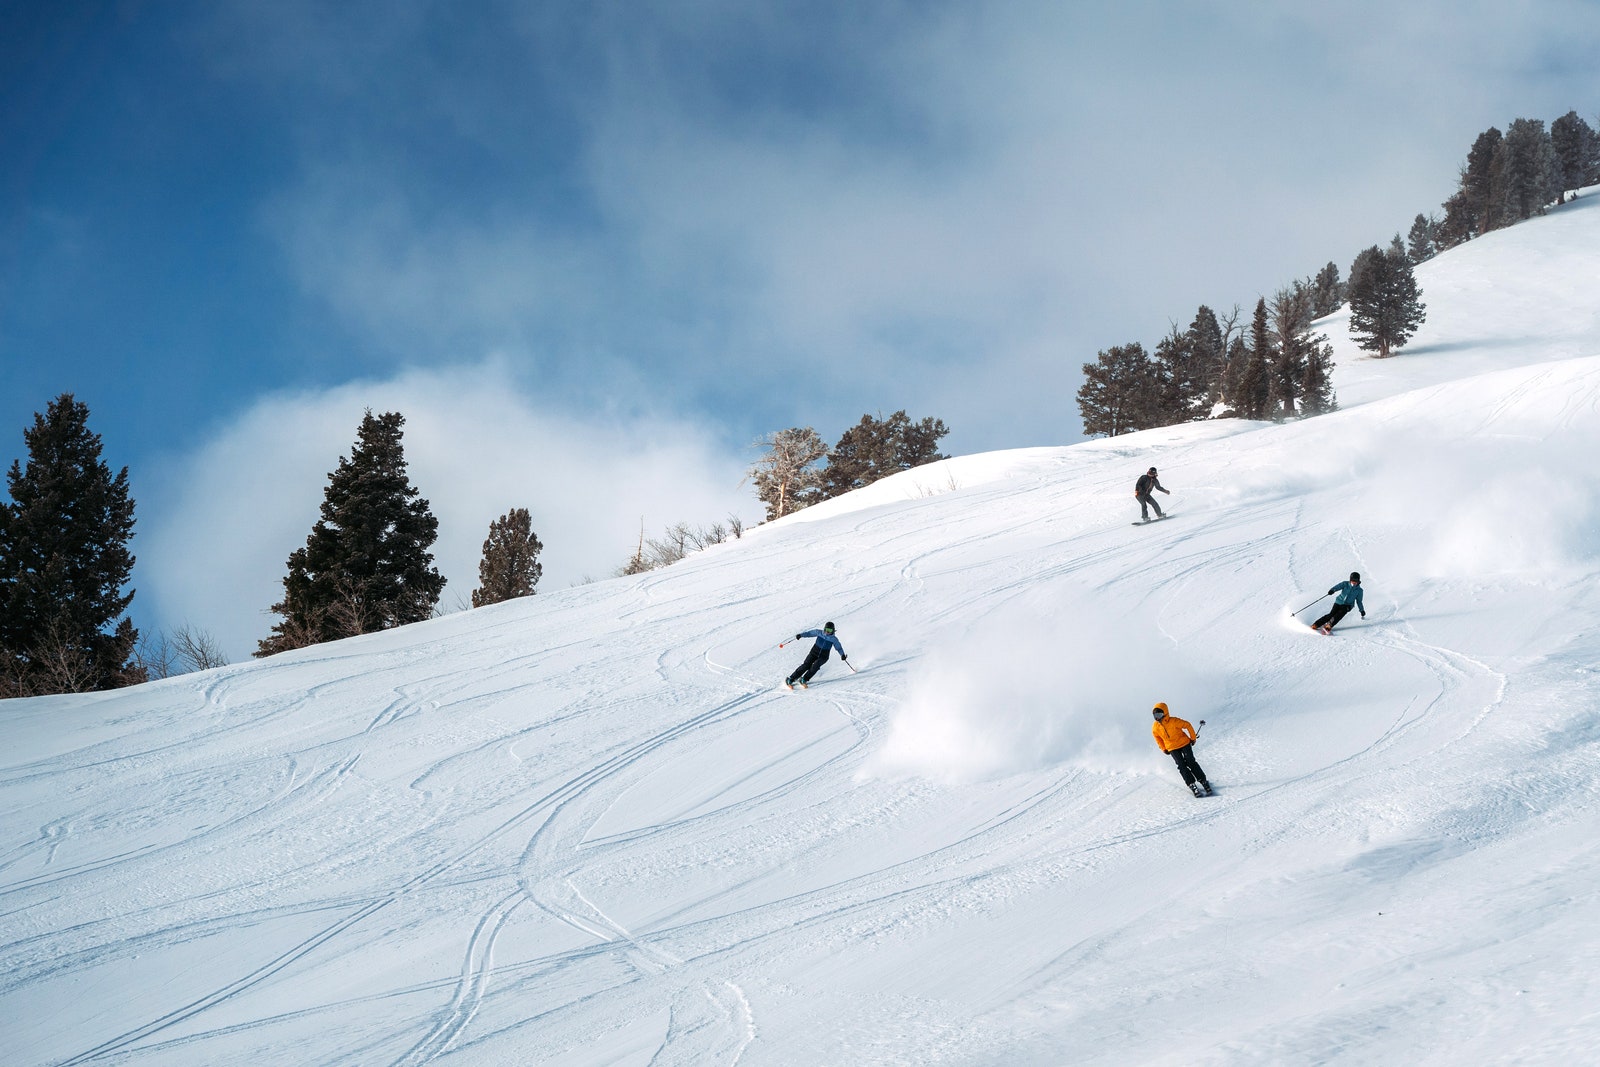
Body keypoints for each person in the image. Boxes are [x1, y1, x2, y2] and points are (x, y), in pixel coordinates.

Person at [1151, 702, 1211, 797]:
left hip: (1184, 744)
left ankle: (1203, 781)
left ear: (1165, 713)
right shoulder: (1155, 727)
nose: (1157, 718)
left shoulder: (1174, 721)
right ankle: (1191, 784)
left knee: (1191, 762)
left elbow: (1187, 725)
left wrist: (1192, 738)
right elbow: (1157, 737)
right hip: (1172, 748)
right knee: (1181, 765)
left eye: (1159, 714)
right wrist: (1163, 748)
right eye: (1155, 715)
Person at [785, 622, 846, 688]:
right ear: (824, 629)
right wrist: (801, 635)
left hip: (824, 656)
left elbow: (838, 648)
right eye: (826, 629)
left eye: (829, 630)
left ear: (833, 630)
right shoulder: (819, 632)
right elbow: (809, 633)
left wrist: (842, 655)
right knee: (806, 665)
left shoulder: (834, 639)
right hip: (814, 652)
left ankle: (804, 679)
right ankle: (791, 679)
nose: (827, 632)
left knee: (815, 666)